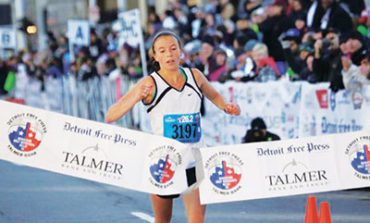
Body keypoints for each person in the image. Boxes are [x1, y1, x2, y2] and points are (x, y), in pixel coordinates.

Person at [105, 30, 240, 223]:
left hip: (195, 158)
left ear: (180, 52)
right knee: (163, 220)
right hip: (164, 162)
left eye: (173, 49)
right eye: (162, 50)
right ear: (155, 56)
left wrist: (227, 106)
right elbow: (111, 115)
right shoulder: (150, 83)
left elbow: (215, 96)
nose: (169, 54)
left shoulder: (195, 76)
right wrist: (136, 96)